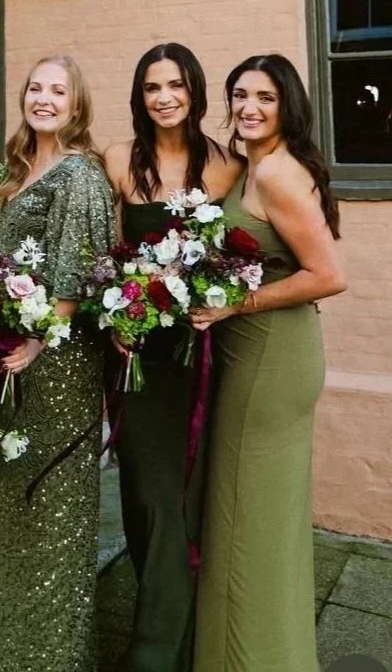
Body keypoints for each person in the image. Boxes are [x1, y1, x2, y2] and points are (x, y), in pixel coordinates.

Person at [189, 54, 346, 671]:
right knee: (258, 521)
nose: (248, 108)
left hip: (270, 361)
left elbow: (329, 275)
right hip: (261, 354)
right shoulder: (256, 167)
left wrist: (236, 305)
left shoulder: (279, 173)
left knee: (244, 522)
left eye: (265, 98)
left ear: (288, 107)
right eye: (240, 95)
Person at [102, 43, 243, 671]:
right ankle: (172, 636)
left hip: (193, 353)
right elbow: (110, 252)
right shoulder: (117, 161)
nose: (165, 97)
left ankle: (154, 655)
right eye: (153, 86)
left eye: (176, 85)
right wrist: (114, 317)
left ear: (194, 92)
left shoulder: (223, 167)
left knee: (172, 502)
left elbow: (237, 251)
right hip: (132, 355)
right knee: (140, 497)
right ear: (139, 96)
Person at [0, 55, 116, 672]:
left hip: (59, 359)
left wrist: (41, 341)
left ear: (76, 103)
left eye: (57, 90)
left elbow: (79, 266)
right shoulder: (16, 168)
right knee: (17, 499)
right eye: (35, 88)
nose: (44, 99)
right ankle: (13, 643)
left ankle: (52, 655)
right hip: (17, 350)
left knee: (54, 504)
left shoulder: (80, 173)